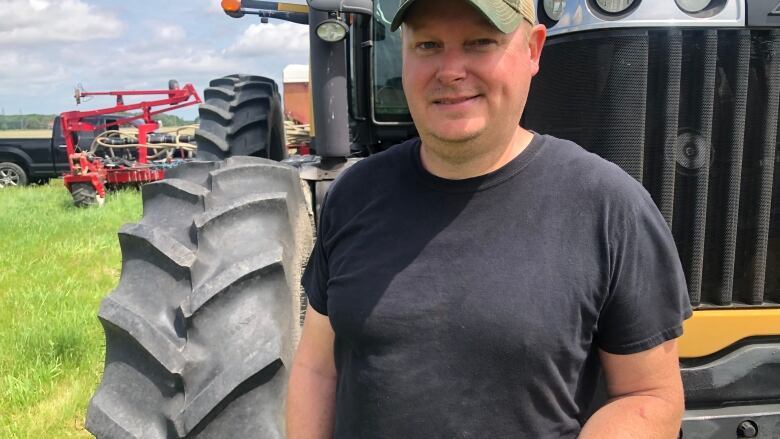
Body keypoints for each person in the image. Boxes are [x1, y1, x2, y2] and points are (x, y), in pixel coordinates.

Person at [286, 0, 692, 437]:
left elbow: (649, 396)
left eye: (480, 43)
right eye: (427, 45)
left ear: (534, 50)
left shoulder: (609, 207)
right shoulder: (354, 195)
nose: (450, 70)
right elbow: (317, 370)